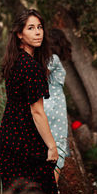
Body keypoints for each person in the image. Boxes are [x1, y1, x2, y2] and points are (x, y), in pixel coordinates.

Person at [0, 9, 61, 194]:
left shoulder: (14, 62)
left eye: (40, 27)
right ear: (19, 34)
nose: (37, 32)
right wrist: (52, 146)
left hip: (9, 139)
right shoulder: (31, 67)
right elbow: (37, 111)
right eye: (31, 28)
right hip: (26, 144)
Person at [44, 28, 71, 183]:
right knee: (57, 148)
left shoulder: (50, 59)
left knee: (47, 145)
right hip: (54, 106)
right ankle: (51, 190)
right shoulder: (53, 59)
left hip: (46, 105)